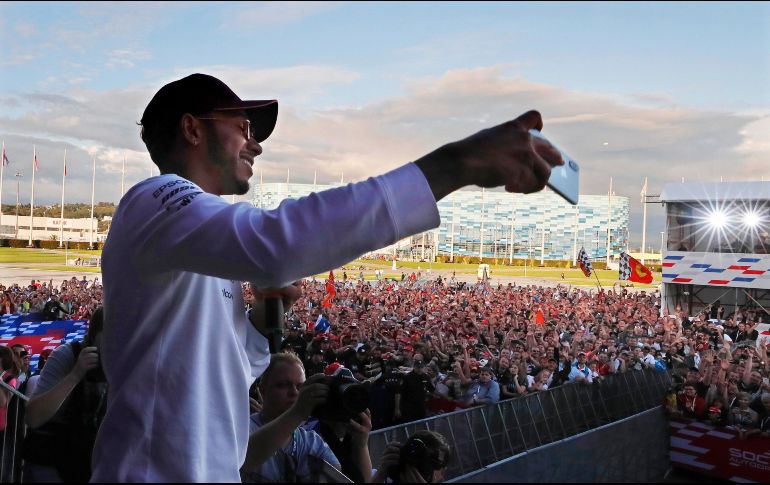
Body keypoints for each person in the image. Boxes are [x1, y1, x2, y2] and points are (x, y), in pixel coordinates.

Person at [91, 72, 563, 482]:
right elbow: (277, 243)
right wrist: (454, 165)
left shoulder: (194, 239)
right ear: (192, 129)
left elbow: (217, 378)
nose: (255, 144)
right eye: (243, 127)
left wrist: (257, 326)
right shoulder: (157, 198)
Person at [241, 353, 371, 483]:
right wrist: (298, 412)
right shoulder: (242, 431)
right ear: (263, 390)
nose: (294, 392)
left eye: (300, 387)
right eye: (283, 385)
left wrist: (361, 444)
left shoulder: (311, 441)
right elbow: (240, 462)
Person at [23, 308, 108, 483]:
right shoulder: (66, 355)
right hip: (51, 459)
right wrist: (76, 374)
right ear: (93, 335)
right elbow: (33, 417)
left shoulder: (128, 362)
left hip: (92, 461)